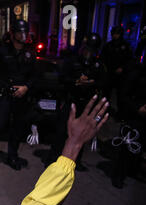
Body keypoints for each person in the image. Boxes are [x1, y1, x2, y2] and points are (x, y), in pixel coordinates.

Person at [0, 20, 37, 174]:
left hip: (21, 98)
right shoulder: (3, 51)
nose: (23, 36)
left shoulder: (29, 53)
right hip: (5, 96)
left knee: (17, 130)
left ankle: (12, 157)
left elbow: (35, 75)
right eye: (20, 33)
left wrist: (26, 87)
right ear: (13, 34)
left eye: (25, 32)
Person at [45, 33, 107, 171]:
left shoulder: (97, 65)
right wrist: (75, 81)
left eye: (92, 50)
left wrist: (92, 83)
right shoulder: (72, 61)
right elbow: (62, 78)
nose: (88, 53)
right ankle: (52, 159)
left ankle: (75, 161)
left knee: (81, 133)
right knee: (62, 132)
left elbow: (103, 82)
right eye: (87, 49)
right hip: (71, 100)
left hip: (86, 103)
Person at [110, 59, 146, 188]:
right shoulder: (136, 74)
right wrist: (137, 108)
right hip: (133, 116)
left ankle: (133, 170)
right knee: (127, 146)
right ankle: (118, 176)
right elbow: (123, 95)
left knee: (139, 147)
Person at [100, 26, 133, 120]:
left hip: (121, 75)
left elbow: (130, 60)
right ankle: (104, 110)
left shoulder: (125, 46)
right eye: (114, 34)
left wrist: (123, 68)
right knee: (106, 93)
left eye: (117, 34)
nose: (115, 36)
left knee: (121, 95)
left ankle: (120, 114)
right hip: (109, 73)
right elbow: (103, 58)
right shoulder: (108, 45)